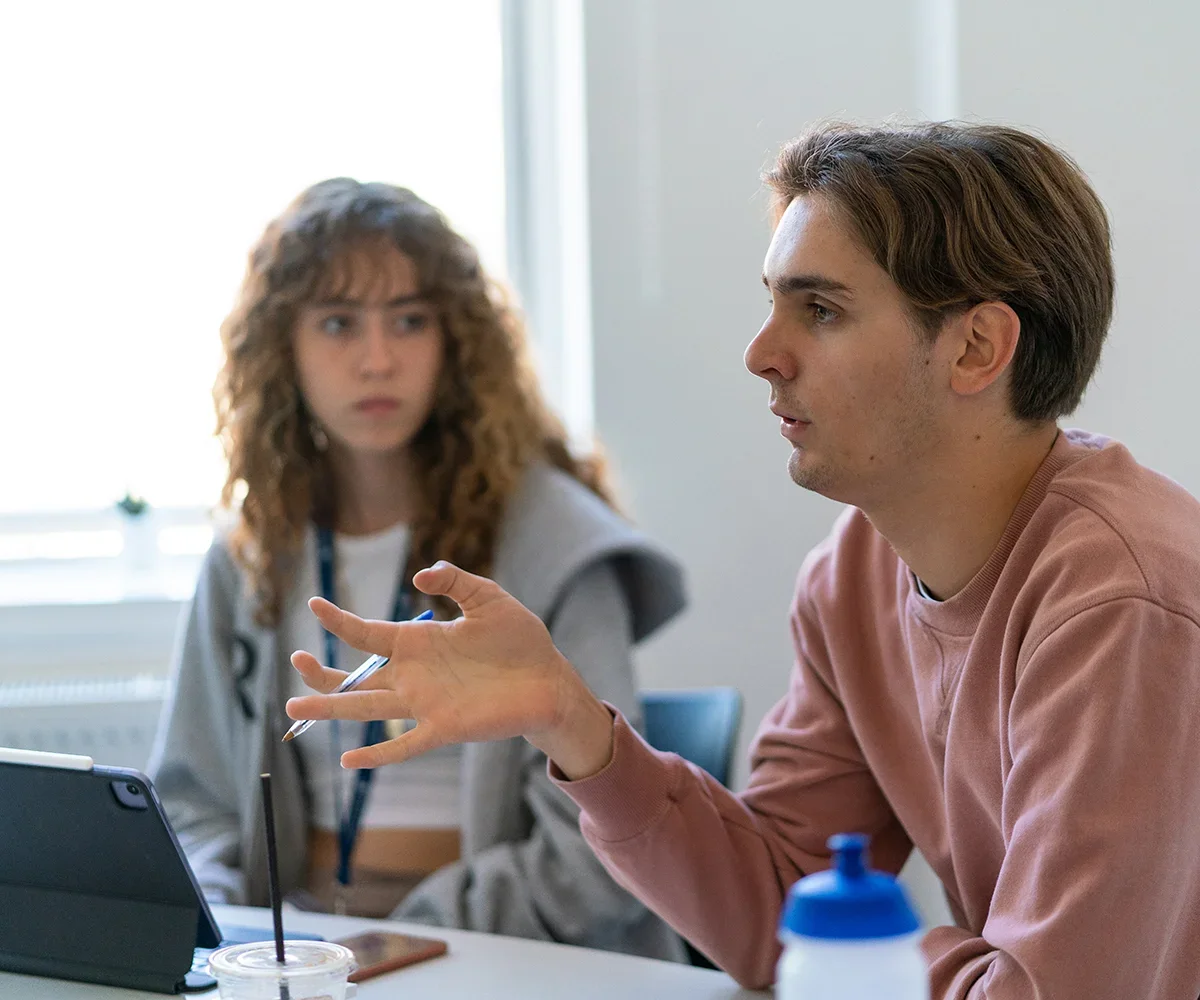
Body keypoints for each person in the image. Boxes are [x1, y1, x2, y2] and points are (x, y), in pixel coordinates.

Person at [285, 122, 1200, 998]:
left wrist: (851, 952)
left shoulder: (1122, 601)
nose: (762, 354)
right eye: (774, 304)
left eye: (823, 310)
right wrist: (570, 720)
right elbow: (775, 910)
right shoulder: (853, 573)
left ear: (975, 347)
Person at [149, 178, 688, 961]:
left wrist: (415, 930)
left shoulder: (555, 543)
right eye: (339, 323)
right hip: (303, 951)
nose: (377, 360)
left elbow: (593, 853)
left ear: (455, 344)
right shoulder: (249, 553)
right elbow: (191, 805)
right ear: (282, 350)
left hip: (502, 953)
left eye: (409, 321)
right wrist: (219, 936)